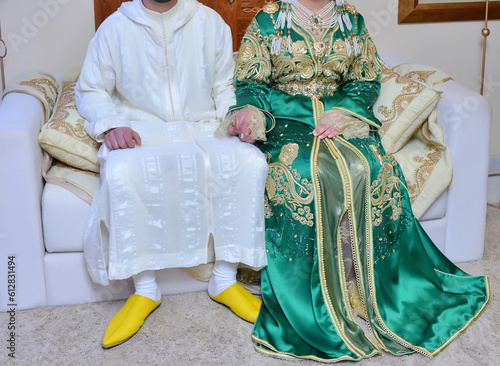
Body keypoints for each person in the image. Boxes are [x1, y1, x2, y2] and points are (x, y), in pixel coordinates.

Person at [224, 0, 490, 362]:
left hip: (340, 116)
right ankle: (315, 294)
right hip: (284, 119)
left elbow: (365, 79)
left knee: (373, 168)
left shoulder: (350, 19)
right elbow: (250, 81)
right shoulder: (269, 20)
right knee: (305, 174)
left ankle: (364, 287)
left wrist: (345, 111)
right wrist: (250, 112)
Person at [75, 0, 268, 349]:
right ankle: (146, 289)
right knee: (122, 170)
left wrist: (235, 116)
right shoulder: (115, 28)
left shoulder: (210, 22)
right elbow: (91, 90)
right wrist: (112, 124)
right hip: (143, 131)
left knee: (249, 161)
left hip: (204, 127)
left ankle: (224, 279)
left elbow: (225, 86)